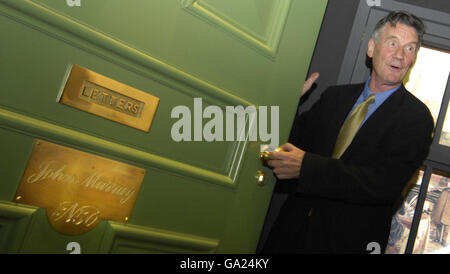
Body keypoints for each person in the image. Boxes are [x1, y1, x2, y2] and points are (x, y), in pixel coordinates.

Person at [261, 11, 434, 253]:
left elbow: (383, 184)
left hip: (347, 242)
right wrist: (288, 102)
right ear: (371, 48)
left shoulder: (416, 118)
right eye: (393, 43)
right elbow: (288, 143)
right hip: (290, 233)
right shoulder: (334, 96)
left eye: (410, 48)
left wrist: (308, 167)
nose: (400, 55)